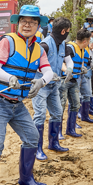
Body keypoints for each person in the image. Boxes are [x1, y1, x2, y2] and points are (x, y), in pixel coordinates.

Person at [0, 5, 54, 185]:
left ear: (38, 25)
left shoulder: (39, 48)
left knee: (32, 137)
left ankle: (26, 178)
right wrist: (10, 78)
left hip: (18, 105)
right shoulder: (8, 41)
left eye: (32, 21)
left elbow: (48, 71)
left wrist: (41, 82)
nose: (27, 24)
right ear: (18, 22)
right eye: (24, 21)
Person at [31, 17, 73, 160]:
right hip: (41, 86)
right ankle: (36, 149)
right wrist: (48, 73)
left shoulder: (63, 45)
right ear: (63, 31)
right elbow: (33, 64)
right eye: (67, 31)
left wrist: (69, 69)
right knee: (40, 115)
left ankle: (53, 143)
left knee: (57, 112)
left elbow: (67, 60)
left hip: (54, 86)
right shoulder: (44, 45)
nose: (68, 33)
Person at [60, 29, 92, 139]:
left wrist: (82, 68)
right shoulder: (70, 47)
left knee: (76, 104)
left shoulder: (81, 49)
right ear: (85, 41)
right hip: (65, 80)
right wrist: (66, 71)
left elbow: (80, 62)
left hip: (74, 81)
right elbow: (62, 61)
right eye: (89, 41)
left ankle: (71, 129)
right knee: (61, 106)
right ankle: (58, 132)